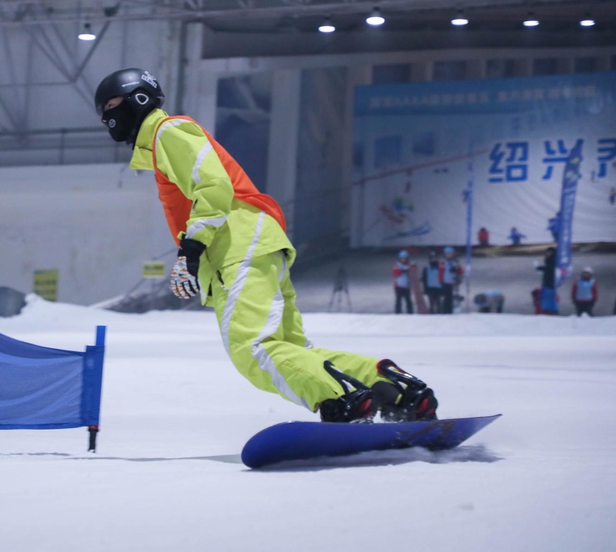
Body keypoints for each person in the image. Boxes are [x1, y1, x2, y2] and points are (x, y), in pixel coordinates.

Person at [94, 67, 438, 423]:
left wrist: (191, 250)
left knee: (253, 350)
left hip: (236, 245)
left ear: (138, 98)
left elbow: (214, 187)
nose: (107, 116)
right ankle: (397, 391)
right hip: (255, 242)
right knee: (289, 350)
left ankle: (343, 399)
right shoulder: (164, 142)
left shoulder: (168, 131)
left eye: (111, 105)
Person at [535, 247, 559, 315]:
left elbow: (549, 270)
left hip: (550, 282)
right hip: (548, 282)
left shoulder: (552, 260)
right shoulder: (549, 260)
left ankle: (549, 310)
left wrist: (540, 268)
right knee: (547, 296)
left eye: (549, 252)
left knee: (549, 297)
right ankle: (549, 310)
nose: (548, 253)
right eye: (547, 252)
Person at [439, 246, 463, 314]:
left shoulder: (455, 262)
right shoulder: (443, 263)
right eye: (447, 254)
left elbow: (460, 271)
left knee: (453, 296)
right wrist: (440, 280)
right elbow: (440, 272)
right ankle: (445, 310)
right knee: (446, 297)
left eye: (450, 254)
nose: (449, 255)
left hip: (453, 282)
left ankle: (452, 309)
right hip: (445, 282)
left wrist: (456, 270)